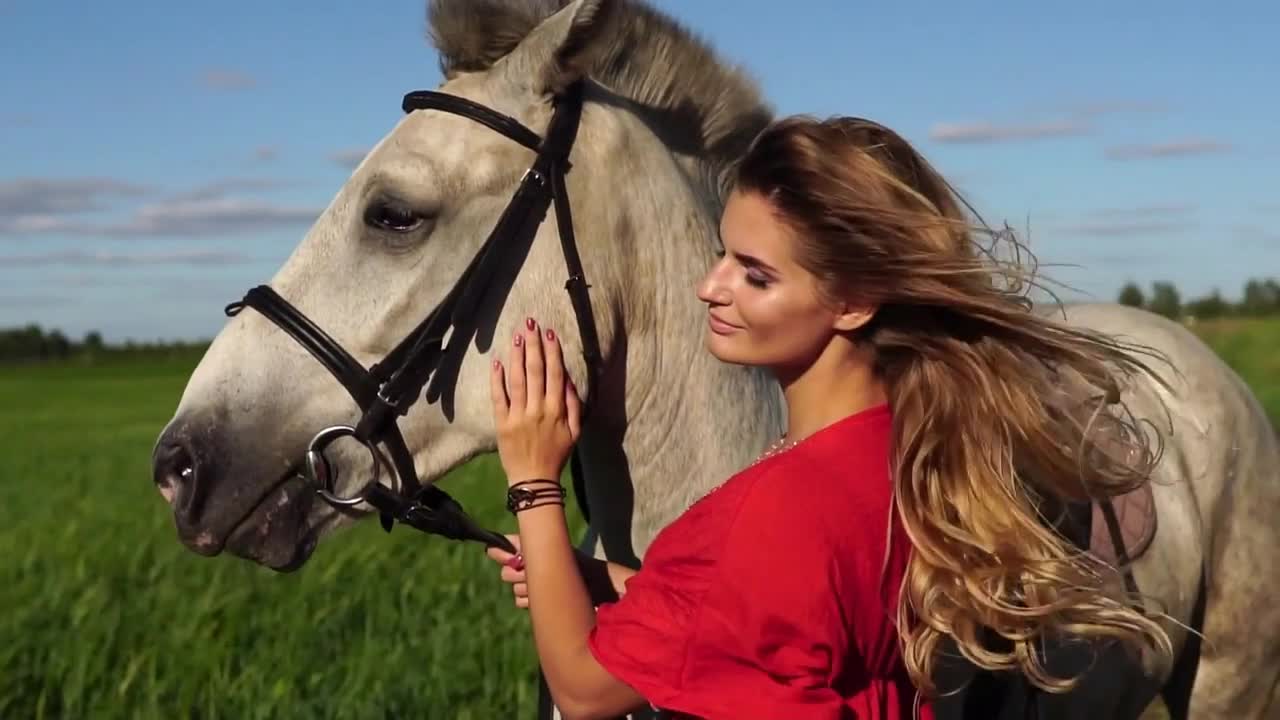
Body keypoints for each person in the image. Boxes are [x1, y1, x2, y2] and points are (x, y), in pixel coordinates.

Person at [484, 115, 1173, 720]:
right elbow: (777, 611)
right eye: (723, 253)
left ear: (854, 301)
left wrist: (534, 479)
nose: (710, 287)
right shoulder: (907, 450)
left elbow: (582, 689)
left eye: (756, 275)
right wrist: (603, 581)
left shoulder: (773, 507)